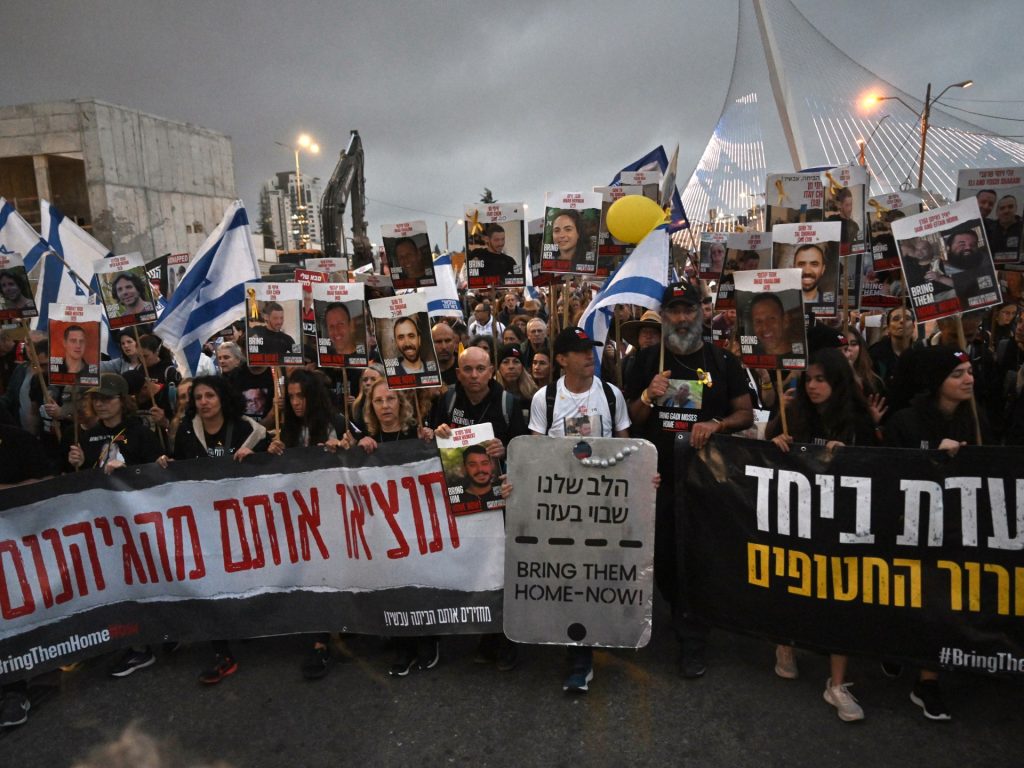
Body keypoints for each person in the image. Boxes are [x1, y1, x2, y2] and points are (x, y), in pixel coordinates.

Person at [625, 282, 753, 679]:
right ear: (663, 316)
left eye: (689, 310)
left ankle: (692, 636)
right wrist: (647, 396)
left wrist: (717, 424)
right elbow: (627, 419)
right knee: (664, 557)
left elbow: (745, 413)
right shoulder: (645, 360)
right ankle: (680, 606)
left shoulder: (723, 361)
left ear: (701, 312)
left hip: (706, 480)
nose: (682, 318)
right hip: (658, 479)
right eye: (674, 311)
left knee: (697, 557)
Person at [767, 349, 878, 721]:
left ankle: (837, 684)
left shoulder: (857, 421)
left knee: (840, 596)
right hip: (799, 518)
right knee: (790, 580)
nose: (812, 387)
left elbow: (880, 467)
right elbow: (768, 453)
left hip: (841, 522)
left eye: (821, 379)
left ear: (838, 381)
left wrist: (851, 456)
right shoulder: (796, 413)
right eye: (808, 380)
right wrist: (778, 443)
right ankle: (785, 644)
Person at [884, 346, 989, 721]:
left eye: (969, 371)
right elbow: (887, 472)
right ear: (936, 382)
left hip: (957, 528)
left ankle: (927, 681)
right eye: (957, 374)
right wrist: (931, 457)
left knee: (942, 599)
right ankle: (895, 647)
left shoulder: (977, 419)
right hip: (911, 527)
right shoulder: (905, 421)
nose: (968, 379)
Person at [528, 327, 631, 693]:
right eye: (580, 351)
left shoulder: (611, 395)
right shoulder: (545, 398)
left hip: (603, 505)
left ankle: (591, 643)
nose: (590, 356)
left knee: (597, 575)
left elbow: (627, 451)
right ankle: (578, 651)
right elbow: (535, 455)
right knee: (570, 577)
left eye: (591, 349)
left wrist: (639, 481)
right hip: (563, 507)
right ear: (561, 359)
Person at [165, 375, 269, 684]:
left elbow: (275, 466)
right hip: (204, 522)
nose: (204, 402)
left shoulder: (249, 430)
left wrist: (258, 457)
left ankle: (250, 622)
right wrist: (165, 463)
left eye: (209, 395)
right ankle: (221, 651)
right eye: (198, 398)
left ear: (222, 397)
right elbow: (178, 470)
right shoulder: (186, 432)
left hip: (244, 521)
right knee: (210, 581)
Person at [65, 373, 165, 677]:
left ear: (122, 400)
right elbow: (82, 480)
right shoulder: (88, 435)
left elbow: (159, 472)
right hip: (103, 523)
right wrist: (76, 463)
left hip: (136, 520)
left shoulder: (139, 432)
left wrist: (130, 469)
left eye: (107, 399)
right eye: (96, 399)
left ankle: (144, 646)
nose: (101, 404)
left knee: (140, 579)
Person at [990, 194, 1022, 262]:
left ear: (1016, 208)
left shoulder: (1022, 228)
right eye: (1002, 208)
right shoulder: (989, 229)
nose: (1006, 211)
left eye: (1010, 207)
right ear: (997, 212)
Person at [431, 321, 459, 386]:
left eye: (447, 341)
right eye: (438, 342)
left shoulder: (463, 368)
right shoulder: (423, 372)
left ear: (454, 342)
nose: (444, 347)